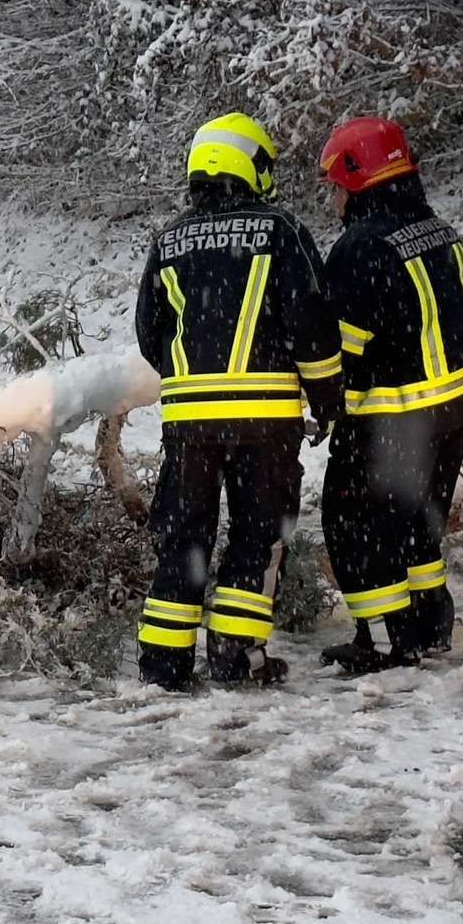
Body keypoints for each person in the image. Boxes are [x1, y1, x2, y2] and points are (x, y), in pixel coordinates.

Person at [133, 113, 345, 690]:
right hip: (264, 419)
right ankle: (234, 659)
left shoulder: (169, 239)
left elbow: (150, 332)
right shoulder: (281, 231)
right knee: (258, 537)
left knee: (183, 538)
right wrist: (327, 396)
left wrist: (189, 381)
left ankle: (163, 666)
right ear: (246, 164)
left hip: (187, 425)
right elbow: (313, 325)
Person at [314, 117, 463, 674]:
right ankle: (428, 624)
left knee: (356, 520)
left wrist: (319, 394)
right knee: (419, 519)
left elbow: (342, 347)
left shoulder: (358, 248)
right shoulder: (441, 231)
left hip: (394, 413)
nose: (334, 201)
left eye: (336, 188)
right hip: (456, 405)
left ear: (358, 178)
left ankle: (384, 640)